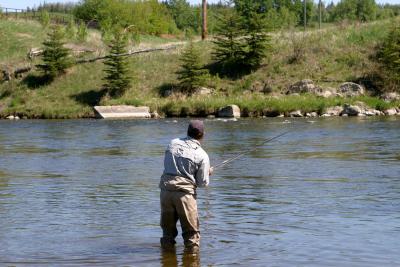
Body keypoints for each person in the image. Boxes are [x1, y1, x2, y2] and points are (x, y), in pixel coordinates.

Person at [159, 120, 213, 253]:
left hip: (165, 192)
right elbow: (202, 183)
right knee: (191, 237)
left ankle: (166, 259)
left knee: (167, 234)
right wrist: (207, 172)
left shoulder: (172, 143)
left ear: (187, 131)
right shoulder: (202, 155)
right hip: (185, 195)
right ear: (202, 135)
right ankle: (192, 261)